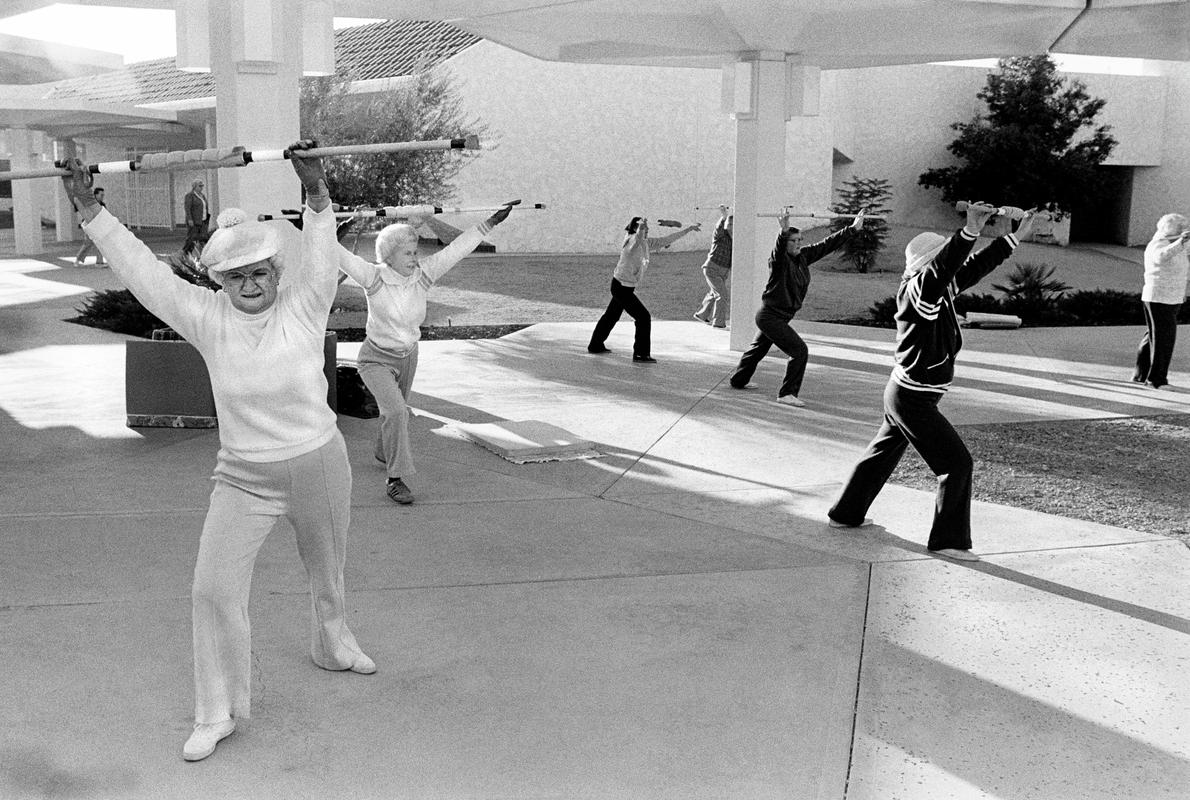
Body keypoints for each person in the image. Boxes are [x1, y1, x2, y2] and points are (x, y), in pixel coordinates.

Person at [61, 140, 376, 763]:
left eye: (260, 271)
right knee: (211, 590)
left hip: (318, 462)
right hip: (243, 479)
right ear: (219, 280)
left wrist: (315, 191)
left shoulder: (306, 306)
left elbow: (319, 252)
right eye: (236, 276)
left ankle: (332, 642)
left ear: (275, 274)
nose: (250, 284)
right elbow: (144, 274)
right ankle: (218, 711)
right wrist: (90, 211)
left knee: (328, 570)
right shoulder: (206, 317)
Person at [827, 202, 1039, 562]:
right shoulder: (919, 291)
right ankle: (948, 541)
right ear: (929, 264)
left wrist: (1012, 238)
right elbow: (946, 267)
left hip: (904, 393)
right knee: (956, 464)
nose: (952, 265)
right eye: (944, 259)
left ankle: (845, 514)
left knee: (881, 455)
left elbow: (970, 268)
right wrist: (969, 230)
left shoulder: (933, 289)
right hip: (912, 398)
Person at [337, 203, 515, 505]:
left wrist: (490, 223)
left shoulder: (423, 275)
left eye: (416, 252)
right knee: (396, 412)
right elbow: (339, 256)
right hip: (375, 358)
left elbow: (455, 250)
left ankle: (384, 450)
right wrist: (322, 231)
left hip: (408, 356)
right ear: (388, 255)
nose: (415, 258)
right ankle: (395, 478)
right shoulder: (373, 276)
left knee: (396, 412)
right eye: (407, 253)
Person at [729, 210, 867, 405]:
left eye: (799, 240)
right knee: (799, 351)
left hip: (780, 316)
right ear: (785, 243)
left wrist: (852, 229)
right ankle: (787, 394)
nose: (797, 244)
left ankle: (738, 380)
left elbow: (826, 245)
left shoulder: (803, 256)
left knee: (758, 349)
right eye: (792, 241)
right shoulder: (778, 262)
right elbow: (778, 251)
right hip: (770, 316)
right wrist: (783, 231)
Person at [587, 217, 700, 362]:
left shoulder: (646, 243)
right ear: (635, 228)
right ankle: (641, 354)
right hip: (621, 287)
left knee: (611, 315)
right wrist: (641, 226)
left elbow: (667, 239)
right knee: (643, 317)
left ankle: (595, 345)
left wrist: (688, 229)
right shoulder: (631, 241)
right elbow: (638, 236)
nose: (646, 230)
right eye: (643, 228)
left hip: (623, 287)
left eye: (647, 228)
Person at [1133, 213, 1189, 390]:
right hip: (1159, 297)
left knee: (1152, 336)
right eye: (1181, 228)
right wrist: (1180, 242)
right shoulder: (1159, 244)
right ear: (1171, 229)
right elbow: (1161, 257)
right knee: (1164, 339)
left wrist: (1181, 242)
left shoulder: (1178, 245)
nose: (1184, 230)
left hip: (1170, 297)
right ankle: (1156, 379)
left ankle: (1140, 376)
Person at [692, 205, 732, 328]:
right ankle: (718, 323)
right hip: (712, 269)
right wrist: (724, 216)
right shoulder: (720, 236)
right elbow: (718, 228)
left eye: (732, 224)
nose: (730, 226)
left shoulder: (736, 239)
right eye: (729, 224)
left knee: (714, 292)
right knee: (722, 295)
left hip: (723, 271)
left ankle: (702, 315)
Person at [74, 187, 106, 266]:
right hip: (89, 225)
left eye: (103, 195)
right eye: (101, 195)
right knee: (88, 243)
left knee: (100, 243)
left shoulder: (102, 205)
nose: (102, 197)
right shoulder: (89, 203)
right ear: (96, 195)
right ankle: (78, 259)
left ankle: (99, 262)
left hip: (98, 226)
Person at [183, 178, 210, 257]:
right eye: (200, 186)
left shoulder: (202, 196)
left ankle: (200, 253)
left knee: (203, 237)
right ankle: (186, 252)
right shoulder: (190, 195)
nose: (201, 187)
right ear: (194, 186)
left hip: (203, 220)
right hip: (194, 220)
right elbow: (187, 208)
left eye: (202, 186)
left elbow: (205, 207)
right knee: (192, 237)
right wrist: (189, 219)